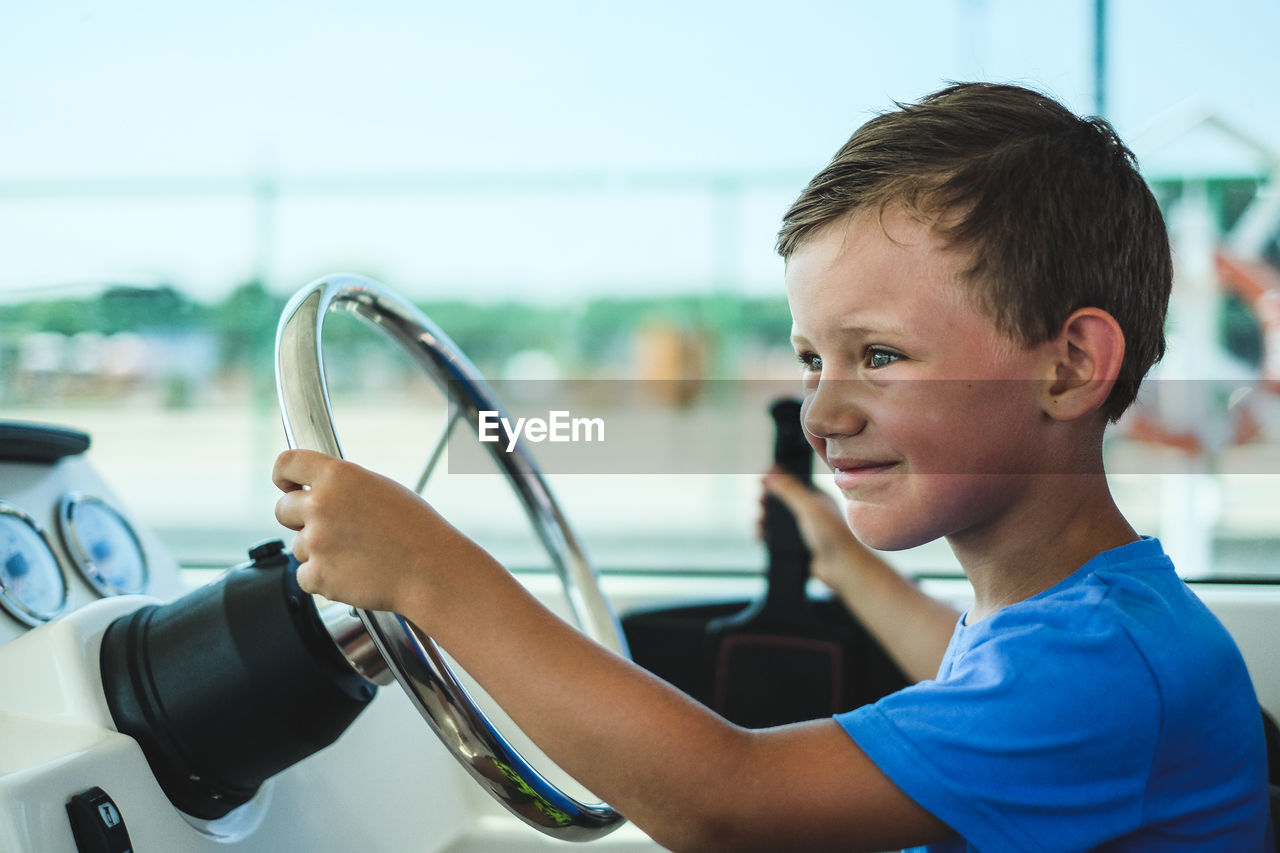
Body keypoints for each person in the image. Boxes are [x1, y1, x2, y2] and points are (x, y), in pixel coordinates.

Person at [273, 82, 1274, 851]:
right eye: (810, 358)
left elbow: (727, 803)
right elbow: (963, 667)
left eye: (877, 355)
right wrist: (840, 561)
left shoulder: (1097, 667)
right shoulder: (1084, 617)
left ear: (1066, 367)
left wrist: (427, 574)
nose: (822, 409)